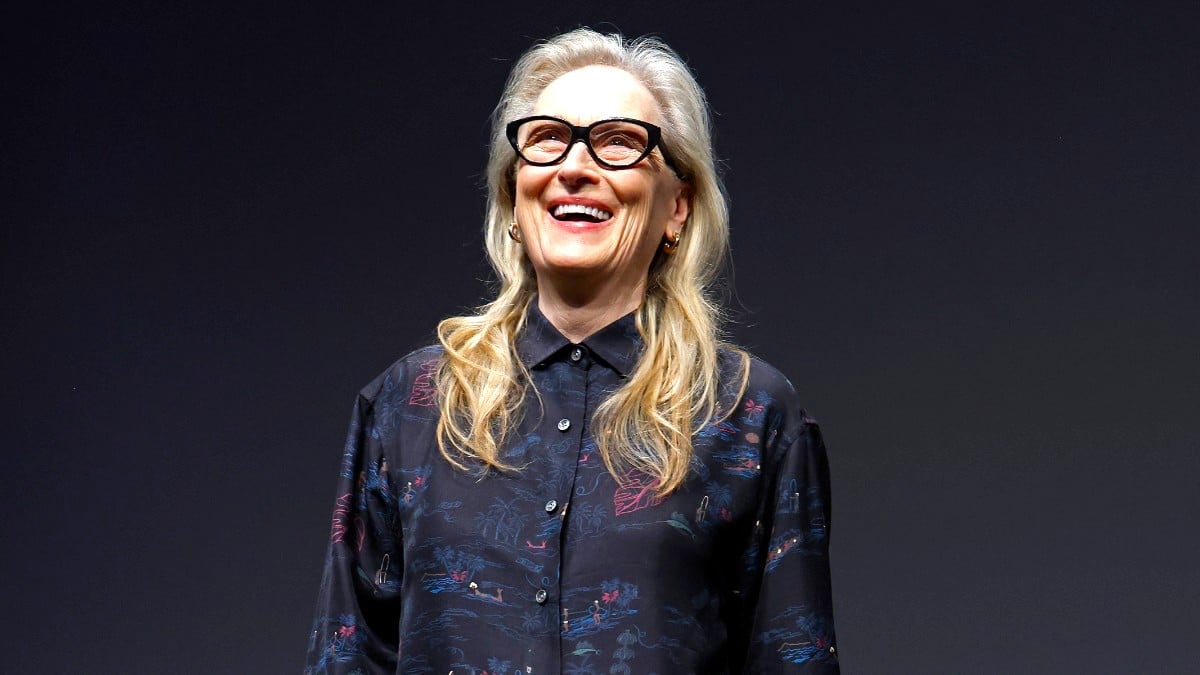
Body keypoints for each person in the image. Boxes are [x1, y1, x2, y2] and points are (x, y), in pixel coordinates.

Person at [305, 27, 839, 674]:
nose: (574, 167)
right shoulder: (407, 409)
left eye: (618, 143)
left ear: (678, 205)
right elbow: (346, 659)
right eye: (547, 139)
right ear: (512, 192)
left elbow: (794, 659)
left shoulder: (749, 415)